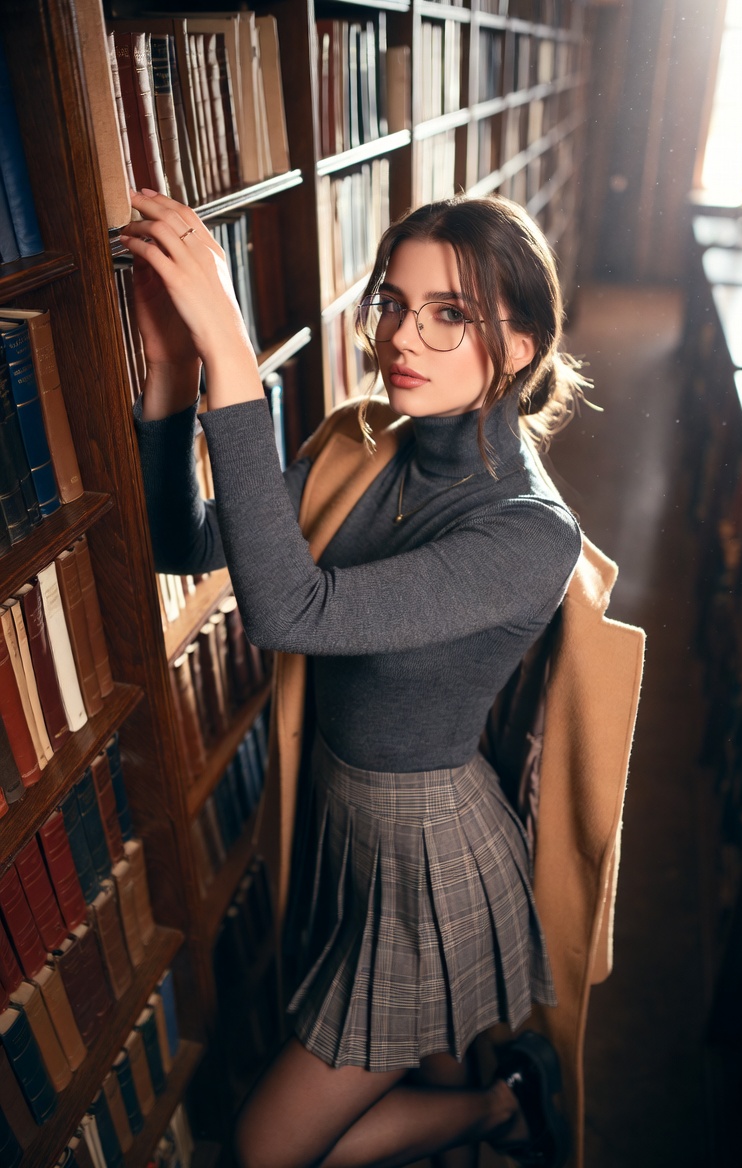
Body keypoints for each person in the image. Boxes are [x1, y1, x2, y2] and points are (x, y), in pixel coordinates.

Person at [122, 188, 590, 1168]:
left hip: (431, 856)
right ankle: (488, 1110)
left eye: (447, 313)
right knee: (425, 1066)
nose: (400, 337)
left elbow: (290, 611)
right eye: (390, 300)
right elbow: (185, 542)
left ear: (524, 341)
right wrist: (170, 368)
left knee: (267, 1147)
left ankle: (505, 1108)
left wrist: (233, 364)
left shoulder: (527, 532)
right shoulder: (363, 442)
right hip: (347, 818)